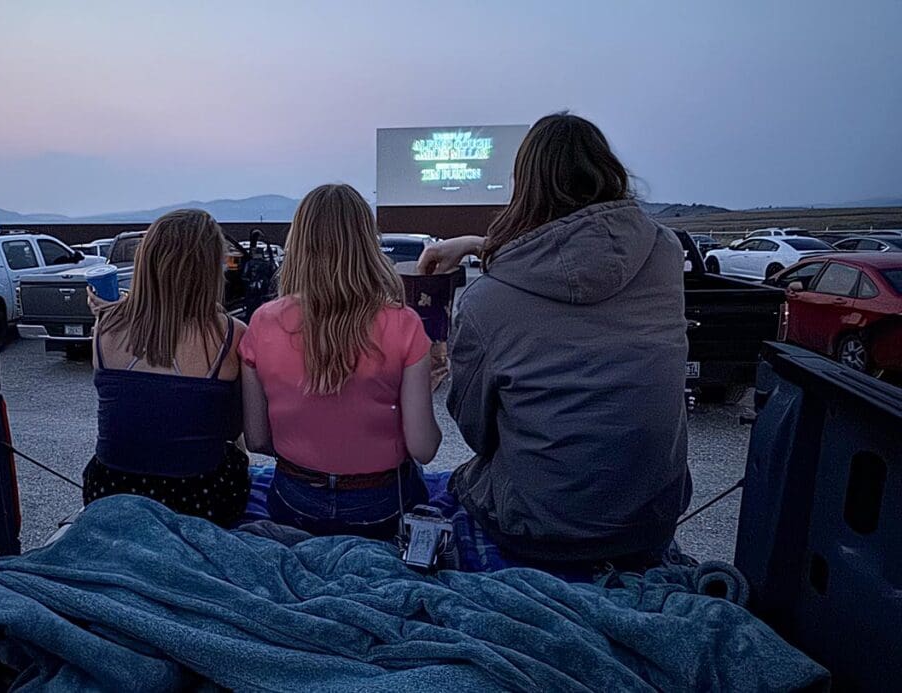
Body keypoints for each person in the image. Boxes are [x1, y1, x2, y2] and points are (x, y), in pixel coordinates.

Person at [419, 112, 691, 570]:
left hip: (539, 530)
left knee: (464, 482)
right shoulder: (665, 255)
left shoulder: (486, 302)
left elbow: (477, 433)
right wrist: (476, 243)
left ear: (524, 184)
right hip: (650, 521)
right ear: (608, 169)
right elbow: (580, 256)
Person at [239, 183, 441, 539]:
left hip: (294, 502)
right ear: (367, 243)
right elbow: (424, 449)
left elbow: (256, 440)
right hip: (380, 508)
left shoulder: (263, 322)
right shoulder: (403, 324)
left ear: (299, 243)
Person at [83, 209, 250, 526]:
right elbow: (233, 430)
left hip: (111, 490)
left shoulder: (105, 328)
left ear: (146, 262)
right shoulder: (230, 335)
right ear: (209, 268)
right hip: (199, 496)